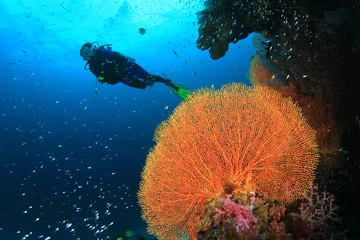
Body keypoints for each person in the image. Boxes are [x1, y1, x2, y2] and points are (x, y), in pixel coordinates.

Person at [80, 42, 191, 100]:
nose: (88, 53)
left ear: (93, 47)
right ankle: (153, 81)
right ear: (84, 58)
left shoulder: (102, 52)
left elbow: (117, 56)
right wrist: (103, 76)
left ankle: (168, 82)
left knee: (148, 77)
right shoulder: (92, 67)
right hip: (122, 78)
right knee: (143, 86)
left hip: (128, 67)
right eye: (85, 54)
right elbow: (101, 78)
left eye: (88, 50)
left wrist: (114, 63)